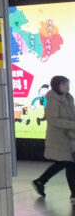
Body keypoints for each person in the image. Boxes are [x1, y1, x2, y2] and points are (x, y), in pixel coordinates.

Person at [32, 75, 75, 203]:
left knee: (66, 163)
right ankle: (73, 195)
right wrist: (72, 125)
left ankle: (40, 181)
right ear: (56, 85)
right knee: (69, 163)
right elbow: (53, 120)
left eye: (67, 84)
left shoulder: (68, 97)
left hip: (70, 137)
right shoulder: (51, 99)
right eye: (64, 84)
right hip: (59, 139)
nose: (67, 86)